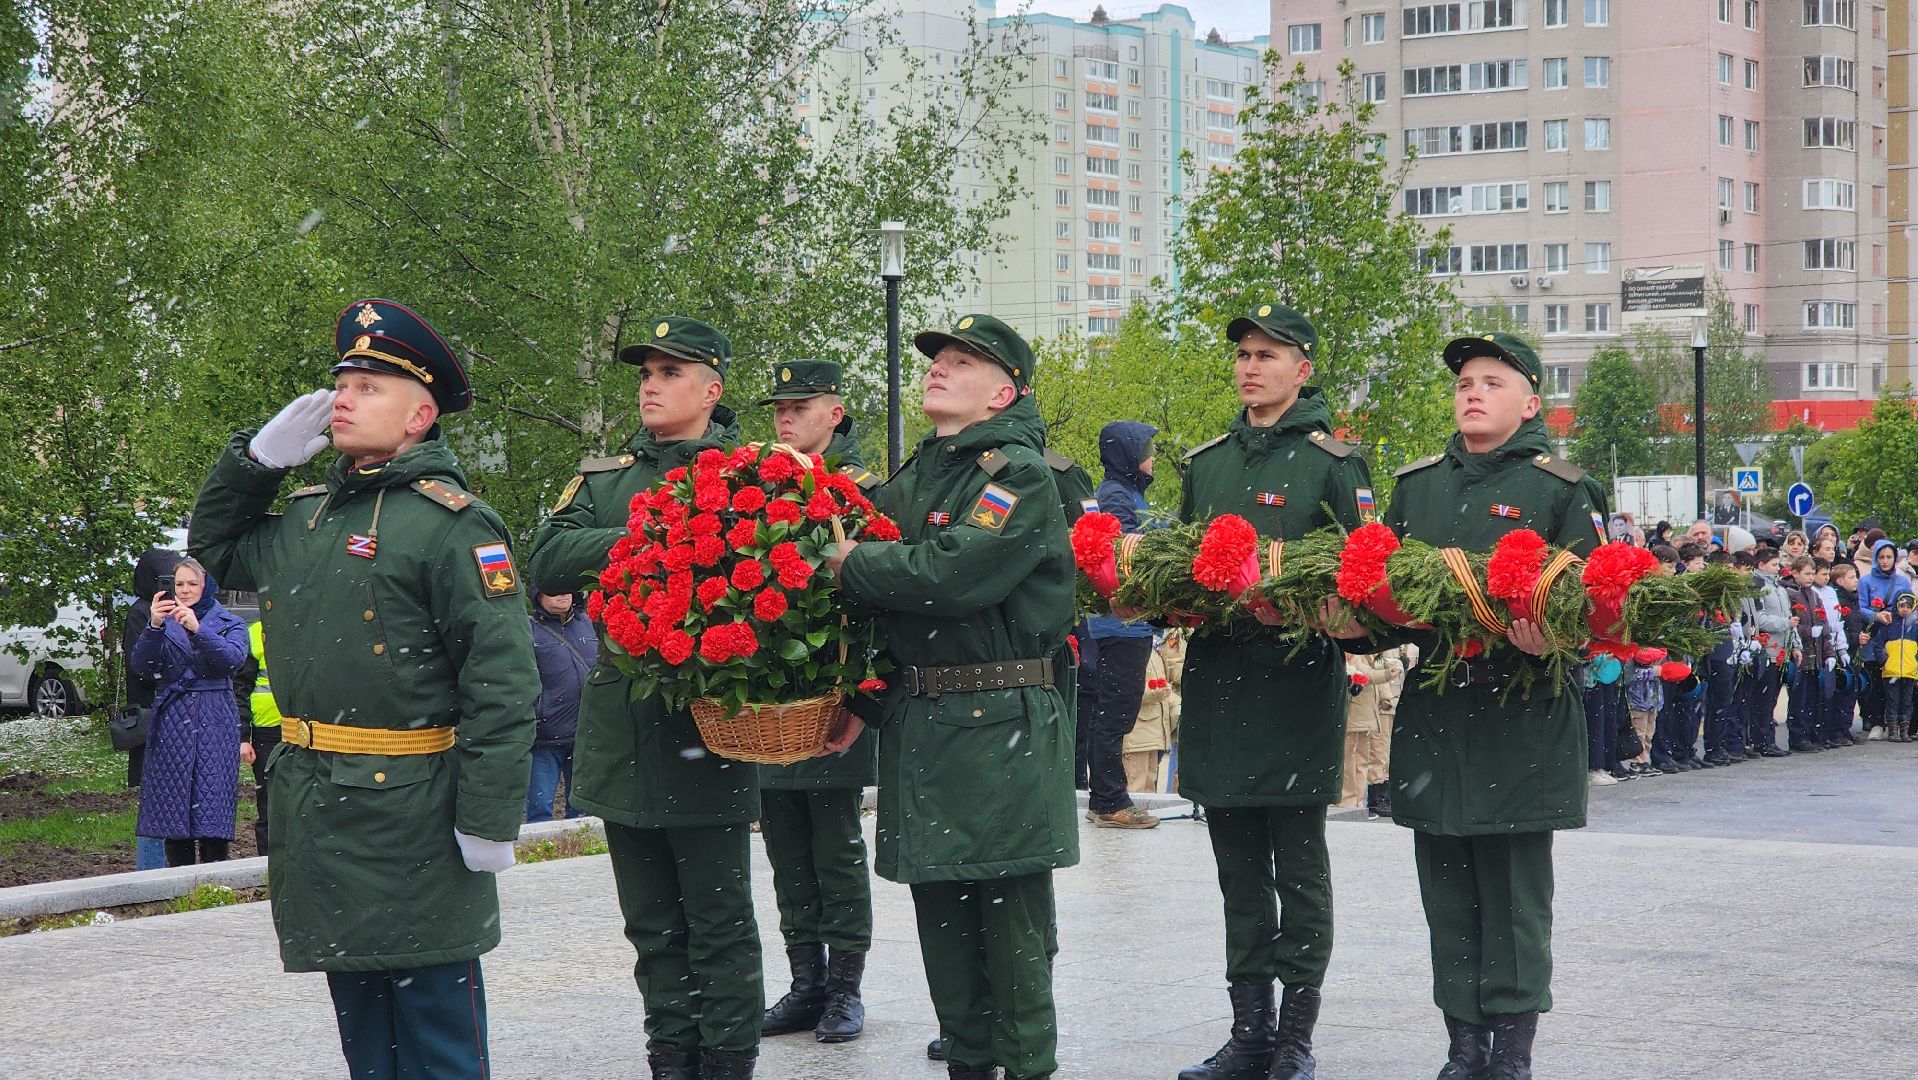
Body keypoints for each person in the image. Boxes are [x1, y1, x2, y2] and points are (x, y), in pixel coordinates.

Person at [190, 298, 539, 1080]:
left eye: (369, 385)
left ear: (420, 416)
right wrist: (254, 462)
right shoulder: (306, 519)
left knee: (437, 1036)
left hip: (415, 811)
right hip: (320, 804)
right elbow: (212, 551)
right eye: (342, 380)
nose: (343, 396)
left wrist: (489, 818)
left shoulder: (455, 526)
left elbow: (503, 686)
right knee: (366, 1042)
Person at [1342, 331, 1607, 1080]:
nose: (1472, 391)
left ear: (1530, 403)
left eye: (1492, 380)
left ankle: (1511, 1053)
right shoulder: (1417, 486)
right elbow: (1391, 600)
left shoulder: (1561, 489)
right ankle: (1464, 1046)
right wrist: (1355, 621)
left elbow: (1593, 606)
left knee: (1516, 896)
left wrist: (1549, 640)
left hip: (1522, 711)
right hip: (1438, 709)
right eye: (1464, 381)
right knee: (1449, 896)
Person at [823, 313, 1077, 1080]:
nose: (938, 368)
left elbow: (953, 575)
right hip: (926, 723)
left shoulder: (1018, 475)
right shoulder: (921, 476)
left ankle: (1026, 1069)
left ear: (1003, 393)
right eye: (937, 358)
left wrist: (851, 563)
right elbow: (900, 621)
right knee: (944, 926)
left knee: (1012, 937)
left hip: (999, 721)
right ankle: (968, 1063)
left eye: (962, 362)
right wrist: (862, 705)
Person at [529, 316, 762, 1080]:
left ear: (712, 389)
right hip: (624, 724)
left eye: (669, 372)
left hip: (712, 722)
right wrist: (658, 527)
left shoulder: (754, 474)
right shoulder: (608, 479)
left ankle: (727, 1059)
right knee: (652, 925)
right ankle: (671, 1056)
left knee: (719, 920)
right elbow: (549, 558)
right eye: (644, 374)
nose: (651, 386)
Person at [1174, 304, 1374, 1080]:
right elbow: (1181, 567)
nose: (1250, 366)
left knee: (1298, 866)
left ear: (1304, 369)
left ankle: (1295, 1037)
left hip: (1293, 685)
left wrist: (1315, 609)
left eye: (1268, 354)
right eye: (1244, 355)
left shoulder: (1334, 463)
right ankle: (1250, 1032)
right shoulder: (1209, 461)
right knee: (1237, 873)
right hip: (1220, 683)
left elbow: (1364, 576)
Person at [753, 358, 879, 1045]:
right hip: (767, 696)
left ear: (835, 412)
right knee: (786, 848)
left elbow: (872, 604)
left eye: (800, 406)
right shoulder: (757, 485)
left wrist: (861, 699)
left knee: (834, 848)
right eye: (779, 406)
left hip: (828, 691)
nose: (784, 416)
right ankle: (806, 984)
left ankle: (846, 989)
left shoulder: (859, 490)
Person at [131, 557, 250, 867]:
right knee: (174, 805)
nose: (184, 591)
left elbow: (232, 660)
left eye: (192, 584)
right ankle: (178, 880)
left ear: (206, 585)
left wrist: (198, 630)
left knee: (212, 804)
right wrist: (155, 626)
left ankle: (214, 880)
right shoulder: (162, 622)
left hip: (215, 718)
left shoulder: (230, 622)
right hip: (173, 718)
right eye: (179, 584)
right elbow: (142, 667)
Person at [1077, 419, 1162, 829]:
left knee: (1115, 713)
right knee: (1114, 714)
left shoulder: (1127, 492)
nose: (1152, 459)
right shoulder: (1115, 495)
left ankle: (1109, 797)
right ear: (1127, 455)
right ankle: (1109, 801)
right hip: (1121, 624)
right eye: (1145, 451)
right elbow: (1126, 554)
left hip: (1132, 625)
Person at [122, 546, 183, 870]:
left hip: (178, 717)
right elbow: (142, 666)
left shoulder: (178, 609)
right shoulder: (141, 612)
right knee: (156, 802)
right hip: (155, 717)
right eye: (168, 579)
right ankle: (152, 872)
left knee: (177, 798)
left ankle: (173, 870)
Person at [526, 586, 593, 823]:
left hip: (584, 735)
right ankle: (541, 856)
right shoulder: (528, 630)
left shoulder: (588, 623)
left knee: (583, 810)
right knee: (539, 809)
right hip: (545, 736)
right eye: (553, 591)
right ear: (538, 596)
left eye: (566, 590)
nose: (562, 595)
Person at [231, 619, 284, 854]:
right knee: (269, 807)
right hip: (268, 733)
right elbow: (240, 687)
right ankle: (269, 869)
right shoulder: (256, 632)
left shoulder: (315, 624)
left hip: (310, 732)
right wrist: (243, 737)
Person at [1339, 647, 1408, 816]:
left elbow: (1372, 676)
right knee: (1349, 760)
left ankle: (1357, 801)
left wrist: (1386, 697)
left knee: (1361, 760)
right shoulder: (1355, 649)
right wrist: (1387, 674)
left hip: (1367, 713)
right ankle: (1348, 801)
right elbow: (1363, 674)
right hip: (1356, 711)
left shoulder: (1368, 651)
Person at [1856, 539, 1913, 742]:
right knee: (1875, 681)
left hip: (1897, 636)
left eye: (1889, 557)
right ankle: (1877, 722)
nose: (1885, 561)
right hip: (1875, 634)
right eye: (1881, 557)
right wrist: (1876, 616)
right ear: (1875, 558)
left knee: (1898, 684)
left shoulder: (1902, 581)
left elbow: (1909, 603)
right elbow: (1861, 608)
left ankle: (1897, 724)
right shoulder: (1866, 581)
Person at [1746, 549, 1795, 758]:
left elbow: (1790, 616)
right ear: (1761, 565)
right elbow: (1760, 618)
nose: (1777, 568)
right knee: (1763, 699)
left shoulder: (1779, 588)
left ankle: (1767, 739)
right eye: (1774, 565)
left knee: (1772, 698)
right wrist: (1785, 624)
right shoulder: (1758, 586)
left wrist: (1795, 645)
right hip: (1767, 648)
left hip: (1781, 649)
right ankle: (1761, 740)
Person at [1123, 631, 1183, 793]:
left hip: (1153, 732)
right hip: (1136, 733)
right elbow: (1127, 688)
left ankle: (1144, 814)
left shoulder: (1154, 647)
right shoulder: (1132, 645)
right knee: (1135, 785)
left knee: (1149, 786)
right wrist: (1155, 692)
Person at [1880, 593, 1918, 741]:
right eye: (1902, 606)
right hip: (1892, 670)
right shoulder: (1889, 624)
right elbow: (1878, 644)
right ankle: (1892, 731)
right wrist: (1884, 661)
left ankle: (1905, 731)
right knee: (1892, 701)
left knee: (1907, 702)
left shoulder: (1915, 628)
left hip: (1910, 671)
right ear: (1896, 607)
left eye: (1908, 607)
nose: (1905, 610)